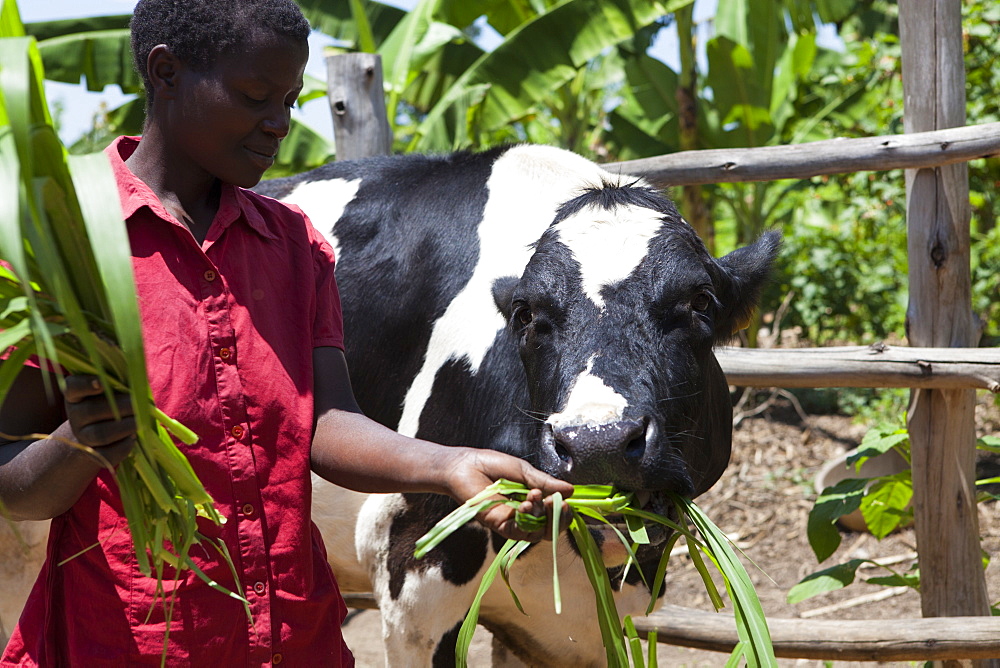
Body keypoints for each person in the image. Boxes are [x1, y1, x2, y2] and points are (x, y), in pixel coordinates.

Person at [0, 0, 572, 665]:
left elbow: (325, 420)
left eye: (292, 101)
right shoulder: (66, 244)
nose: (278, 124)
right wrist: (82, 443)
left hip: (291, 639)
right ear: (166, 72)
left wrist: (447, 464)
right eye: (254, 96)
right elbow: (13, 481)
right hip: (134, 642)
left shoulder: (292, 245)